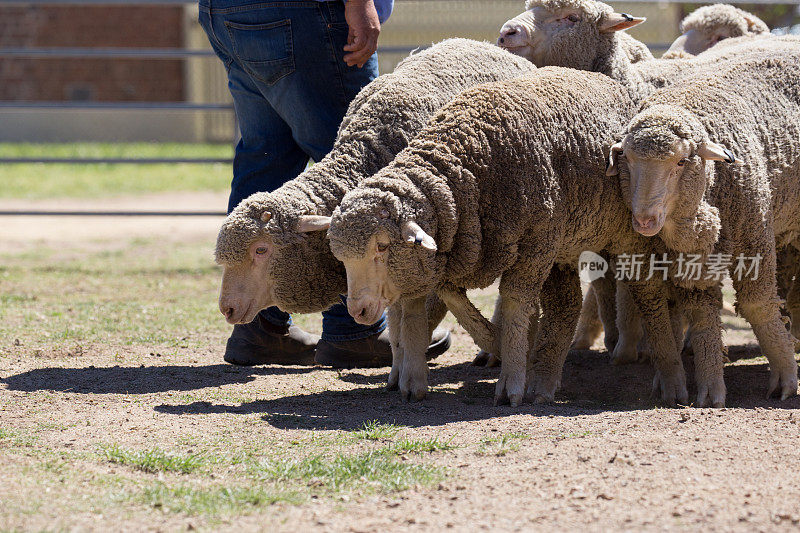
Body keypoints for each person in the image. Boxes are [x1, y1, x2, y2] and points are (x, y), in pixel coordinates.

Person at [199, 0, 451, 367]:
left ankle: (259, 324)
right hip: (305, 17)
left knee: (267, 158)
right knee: (351, 161)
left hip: (228, 13)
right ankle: (354, 330)